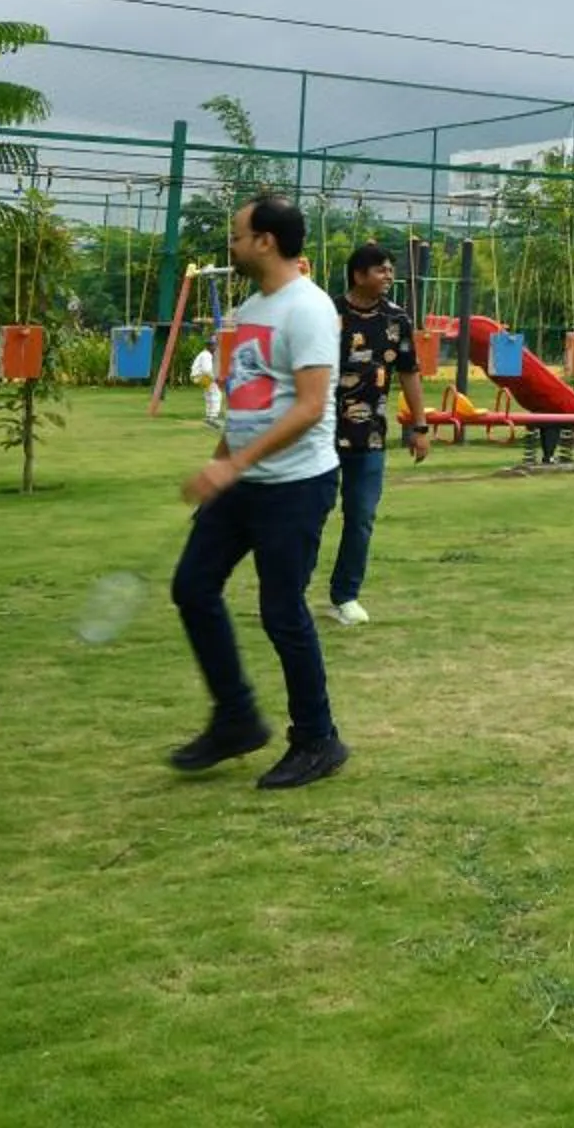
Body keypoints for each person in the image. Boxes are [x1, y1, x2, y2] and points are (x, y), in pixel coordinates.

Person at [167, 194, 348, 790]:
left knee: (282, 611)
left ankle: (318, 739)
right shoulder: (252, 307)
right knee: (193, 587)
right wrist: (222, 463)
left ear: (266, 241)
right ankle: (237, 719)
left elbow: (311, 406)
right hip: (243, 481)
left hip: (296, 485)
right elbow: (248, 399)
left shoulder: (309, 309)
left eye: (238, 236)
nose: (233, 245)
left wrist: (236, 464)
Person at [325, 242, 429, 628]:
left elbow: (409, 374)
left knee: (361, 517)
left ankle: (345, 596)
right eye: (381, 270)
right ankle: (290, 590)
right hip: (321, 435)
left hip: (370, 438)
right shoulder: (328, 314)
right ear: (358, 275)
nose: (388, 276)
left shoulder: (396, 319)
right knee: (310, 514)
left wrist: (419, 427)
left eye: (390, 270)